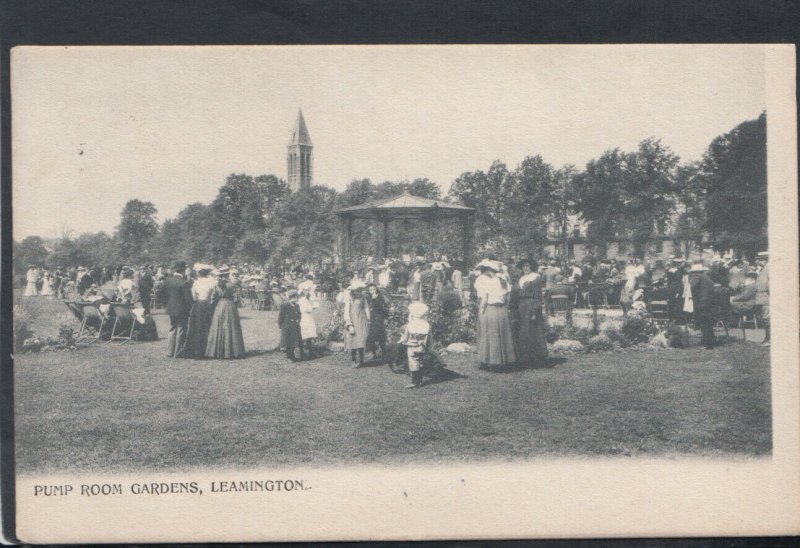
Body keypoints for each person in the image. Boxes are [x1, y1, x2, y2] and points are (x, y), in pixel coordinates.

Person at [474, 259, 516, 369]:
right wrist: (505, 306)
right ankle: (504, 360)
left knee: (489, 335)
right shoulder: (502, 280)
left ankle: (491, 361)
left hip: (490, 309)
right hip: (502, 310)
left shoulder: (486, 281)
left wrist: (481, 310)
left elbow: (484, 298)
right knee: (503, 335)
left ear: (487, 270)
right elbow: (508, 297)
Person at [205, 267, 246, 359]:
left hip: (219, 306)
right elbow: (236, 299)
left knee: (218, 327)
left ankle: (216, 351)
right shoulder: (231, 285)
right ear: (227, 275)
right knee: (230, 327)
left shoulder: (217, 285)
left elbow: (212, 299)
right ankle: (232, 351)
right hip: (230, 306)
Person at [515, 259, 548, 366]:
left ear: (531, 267)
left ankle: (537, 358)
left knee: (533, 332)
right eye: (523, 266)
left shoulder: (535, 277)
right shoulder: (522, 278)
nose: (525, 268)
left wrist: (534, 311)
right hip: (521, 306)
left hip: (531, 306)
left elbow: (538, 296)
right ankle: (525, 358)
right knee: (523, 332)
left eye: (527, 266)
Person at [184, 265, 217, 358]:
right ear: (207, 273)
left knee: (196, 327)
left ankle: (195, 350)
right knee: (207, 326)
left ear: (199, 274)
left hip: (198, 305)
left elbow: (194, 297)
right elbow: (213, 296)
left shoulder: (196, 283)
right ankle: (207, 349)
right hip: (207, 305)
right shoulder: (212, 282)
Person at [164, 261, 193, 358]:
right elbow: (188, 299)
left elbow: (162, 295)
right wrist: (189, 309)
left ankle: (169, 351)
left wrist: (167, 304)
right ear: (183, 270)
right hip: (182, 309)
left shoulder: (168, 281)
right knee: (181, 329)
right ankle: (178, 351)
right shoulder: (184, 283)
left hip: (171, 308)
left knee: (172, 329)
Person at [398, 301, 431, 389]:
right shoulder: (426, 325)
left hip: (412, 347)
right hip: (422, 347)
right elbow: (429, 337)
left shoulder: (410, 325)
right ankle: (419, 380)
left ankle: (414, 382)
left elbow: (405, 338)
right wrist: (427, 345)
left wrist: (402, 340)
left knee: (413, 363)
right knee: (420, 362)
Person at [688, 262, 716, 349]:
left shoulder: (696, 276)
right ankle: (711, 340)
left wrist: (690, 282)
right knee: (708, 322)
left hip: (701, 303)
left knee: (703, 323)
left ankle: (708, 343)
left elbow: (693, 286)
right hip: (709, 302)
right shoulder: (707, 278)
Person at [344, 280, 370, 368]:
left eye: (360, 290)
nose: (359, 292)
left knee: (362, 339)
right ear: (353, 291)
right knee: (353, 340)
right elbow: (346, 312)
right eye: (357, 290)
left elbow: (366, 308)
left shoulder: (363, 298)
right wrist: (349, 323)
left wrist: (368, 318)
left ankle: (362, 359)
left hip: (362, 321)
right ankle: (353, 359)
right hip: (354, 322)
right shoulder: (350, 299)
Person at [278, 290, 303, 361]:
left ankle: (293, 356)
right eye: (295, 298)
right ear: (291, 298)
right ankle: (289, 357)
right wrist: (281, 326)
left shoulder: (297, 305)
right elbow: (281, 317)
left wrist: (298, 320)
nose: (297, 299)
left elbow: (299, 314)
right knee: (288, 342)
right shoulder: (285, 305)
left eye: (297, 298)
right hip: (287, 326)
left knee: (294, 341)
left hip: (295, 326)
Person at [366, 283, 388, 361]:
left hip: (379, 319)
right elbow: (368, 308)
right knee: (371, 337)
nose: (373, 291)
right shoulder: (368, 298)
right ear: (368, 291)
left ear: (376, 290)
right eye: (371, 290)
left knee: (381, 337)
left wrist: (385, 318)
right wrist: (372, 299)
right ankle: (373, 353)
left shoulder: (380, 297)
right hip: (371, 319)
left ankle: (385, 353)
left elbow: (383, 309)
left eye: (374, 289)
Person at [298, 287, 319, 358]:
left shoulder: (305, 299)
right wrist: (313, 307)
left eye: (308, 290)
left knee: (308, 336)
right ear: (303, 291)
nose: (308, 292)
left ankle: (310, 352)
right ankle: (306, 352)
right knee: (306, 335)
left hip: (307, 318)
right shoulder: (302, 300)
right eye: (306, 290)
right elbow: (306, 309)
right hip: (305, 318)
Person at [754, 251, 770, 346]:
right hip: (762, 297)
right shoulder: (764, 269)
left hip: (766, 297)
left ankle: (769, 340)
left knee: (767, 318)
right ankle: (767, 339)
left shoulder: (768, 268)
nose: (758, 262)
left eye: (759, 260)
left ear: (764, 260)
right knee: (765, 319)